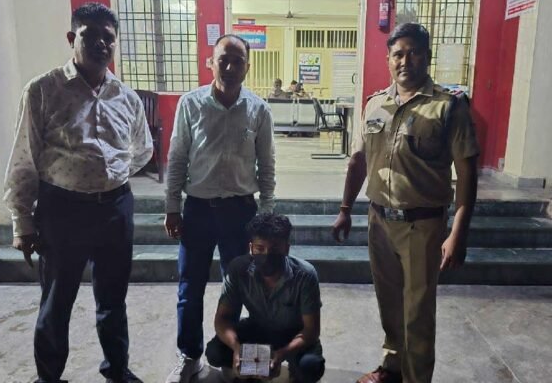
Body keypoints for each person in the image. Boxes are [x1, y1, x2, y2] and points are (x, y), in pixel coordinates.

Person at [3, 2, 153, 383]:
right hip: (63, 210)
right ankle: (49, 377)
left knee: (113, 298)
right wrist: (22, 221)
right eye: (91, 35)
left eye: (109, 38)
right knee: (58, 299)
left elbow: (143, 149)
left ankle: (116, 369)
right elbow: (24, 158)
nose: (101, 44)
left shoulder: (126, 97)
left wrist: (113, 172)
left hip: (115, 208)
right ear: (72, 38)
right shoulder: (43, 90)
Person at [332, 23, 479, 383]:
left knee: (418, 313)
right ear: (388, 59)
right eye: (398, 54)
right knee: (389, 303)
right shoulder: (374, 104)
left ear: (426, 57)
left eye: (414, 53)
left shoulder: (448, 107)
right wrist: (346, 209)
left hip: (422, 226)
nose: (405, 61)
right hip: (379, 221)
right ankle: (393, 366)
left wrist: (458, 233)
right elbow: (358, 161)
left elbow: (467, 173)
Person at [164, 34, 276, 383]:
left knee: (247, 288)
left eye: (237, 61)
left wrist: (266, 215)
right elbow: (177, 157)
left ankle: (244, 358)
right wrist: (172, 206)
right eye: (222, 60)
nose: (229, 67)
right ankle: (189, 356)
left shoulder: (258, 109)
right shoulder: (190, 104)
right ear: (210, 62)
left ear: (247, 67)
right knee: (190, 287)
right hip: (198, 211)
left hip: (241, 214)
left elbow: (266, 165)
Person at [205, 213, 324, 383]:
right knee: (215, 352)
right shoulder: (238, 269)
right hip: (257, 328)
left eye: (275, 249)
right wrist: (237, 348)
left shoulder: (305, 275)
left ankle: (294, 370)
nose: (267, 255)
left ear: (286, 249)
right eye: (260, 248)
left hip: (294, 333)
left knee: (310, 366)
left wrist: (282, 353)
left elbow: (311, 330)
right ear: (251, 248)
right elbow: (222, 319)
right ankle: (243, 371)